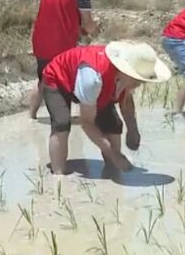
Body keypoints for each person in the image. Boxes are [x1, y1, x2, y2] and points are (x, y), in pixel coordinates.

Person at [39, 41, 171, 176]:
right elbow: (86, 122)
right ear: (127, 72)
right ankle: (58, 175)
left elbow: (126, 101)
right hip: (58, 78)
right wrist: (114, 154)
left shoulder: (125, 75)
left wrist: (132, 129)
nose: (139, 84)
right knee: (62, 123)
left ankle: (113, 170)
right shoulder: (93, 78)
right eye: (138, 80)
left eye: (142, 81)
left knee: (113, 124)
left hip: (93, 85)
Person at [27, 0, 105, 120]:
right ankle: (65, 119)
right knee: (65, 81)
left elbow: (55, 9)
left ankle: (32, 117)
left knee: (43, 79)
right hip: (62, 44)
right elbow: (88, 24)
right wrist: (96, 24)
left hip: (40, 40)